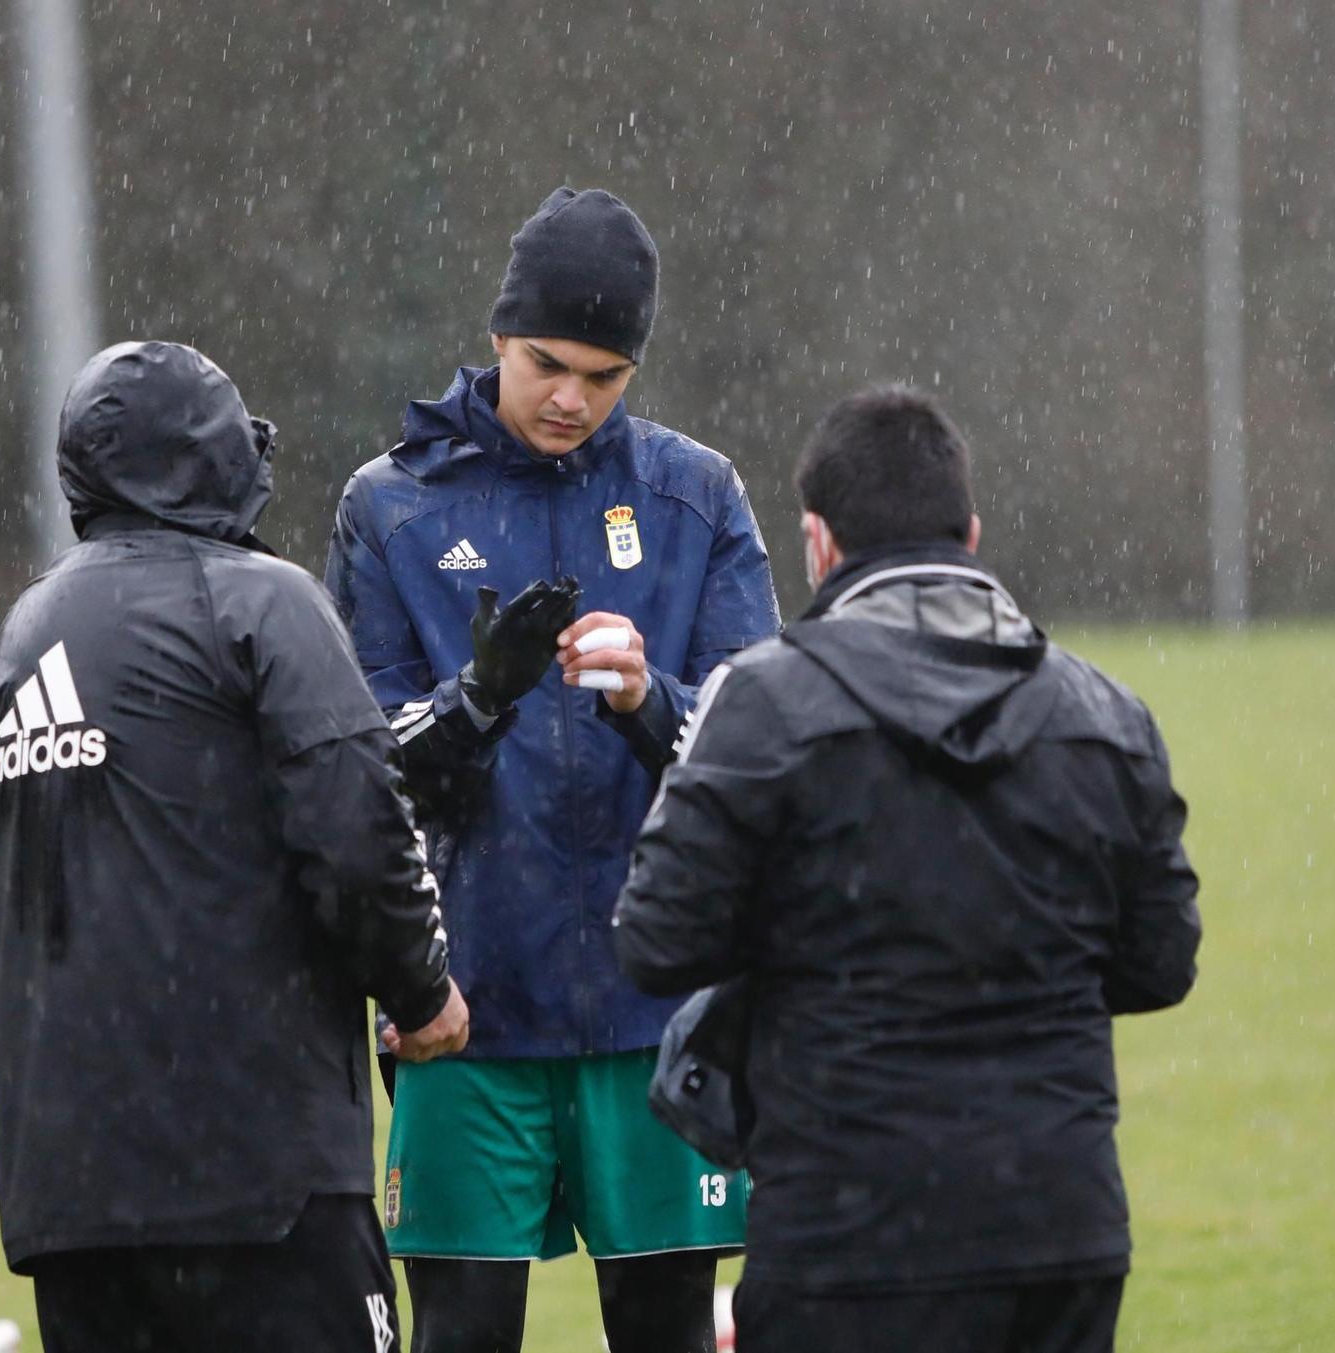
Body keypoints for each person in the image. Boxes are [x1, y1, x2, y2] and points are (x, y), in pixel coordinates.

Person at [614, 385, 1202, 1352]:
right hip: (1059, 1223)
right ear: (970, 534)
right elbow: (1160, 961)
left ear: (817, 541)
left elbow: (655, 938)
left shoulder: (762, 702)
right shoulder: (1103, 713)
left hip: (845, 1228)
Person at [325, 188, 782, 1352]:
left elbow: (763, 763)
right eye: (546, 364)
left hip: (657, 1020)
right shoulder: (389, 507)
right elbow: (362, 783)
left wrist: (647, 702)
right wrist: (476, 700)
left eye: (605, 374)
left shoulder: (697, 497)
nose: (572, 398)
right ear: (497, 337)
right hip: (465, 1018)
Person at [0, 341, 468, 1353]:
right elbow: (357, 828)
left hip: (69, 1198)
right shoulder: (260, 599)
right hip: (258, 1180)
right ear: (220, 460)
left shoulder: (15, 645)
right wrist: (421, 995)